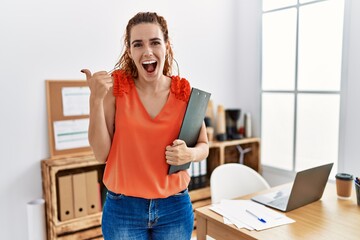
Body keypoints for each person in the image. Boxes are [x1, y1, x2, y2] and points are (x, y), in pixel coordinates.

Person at [81, 12, 209, 240]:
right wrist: (95, 100)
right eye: (138, 44)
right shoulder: (116, 90)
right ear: (130, 51)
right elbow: (101, 154)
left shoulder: (184, 92)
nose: (147, 51)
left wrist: (189, 153)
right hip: (123, 211)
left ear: (167, 47)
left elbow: (204, 146)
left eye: (155, 42)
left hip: (175, 209)